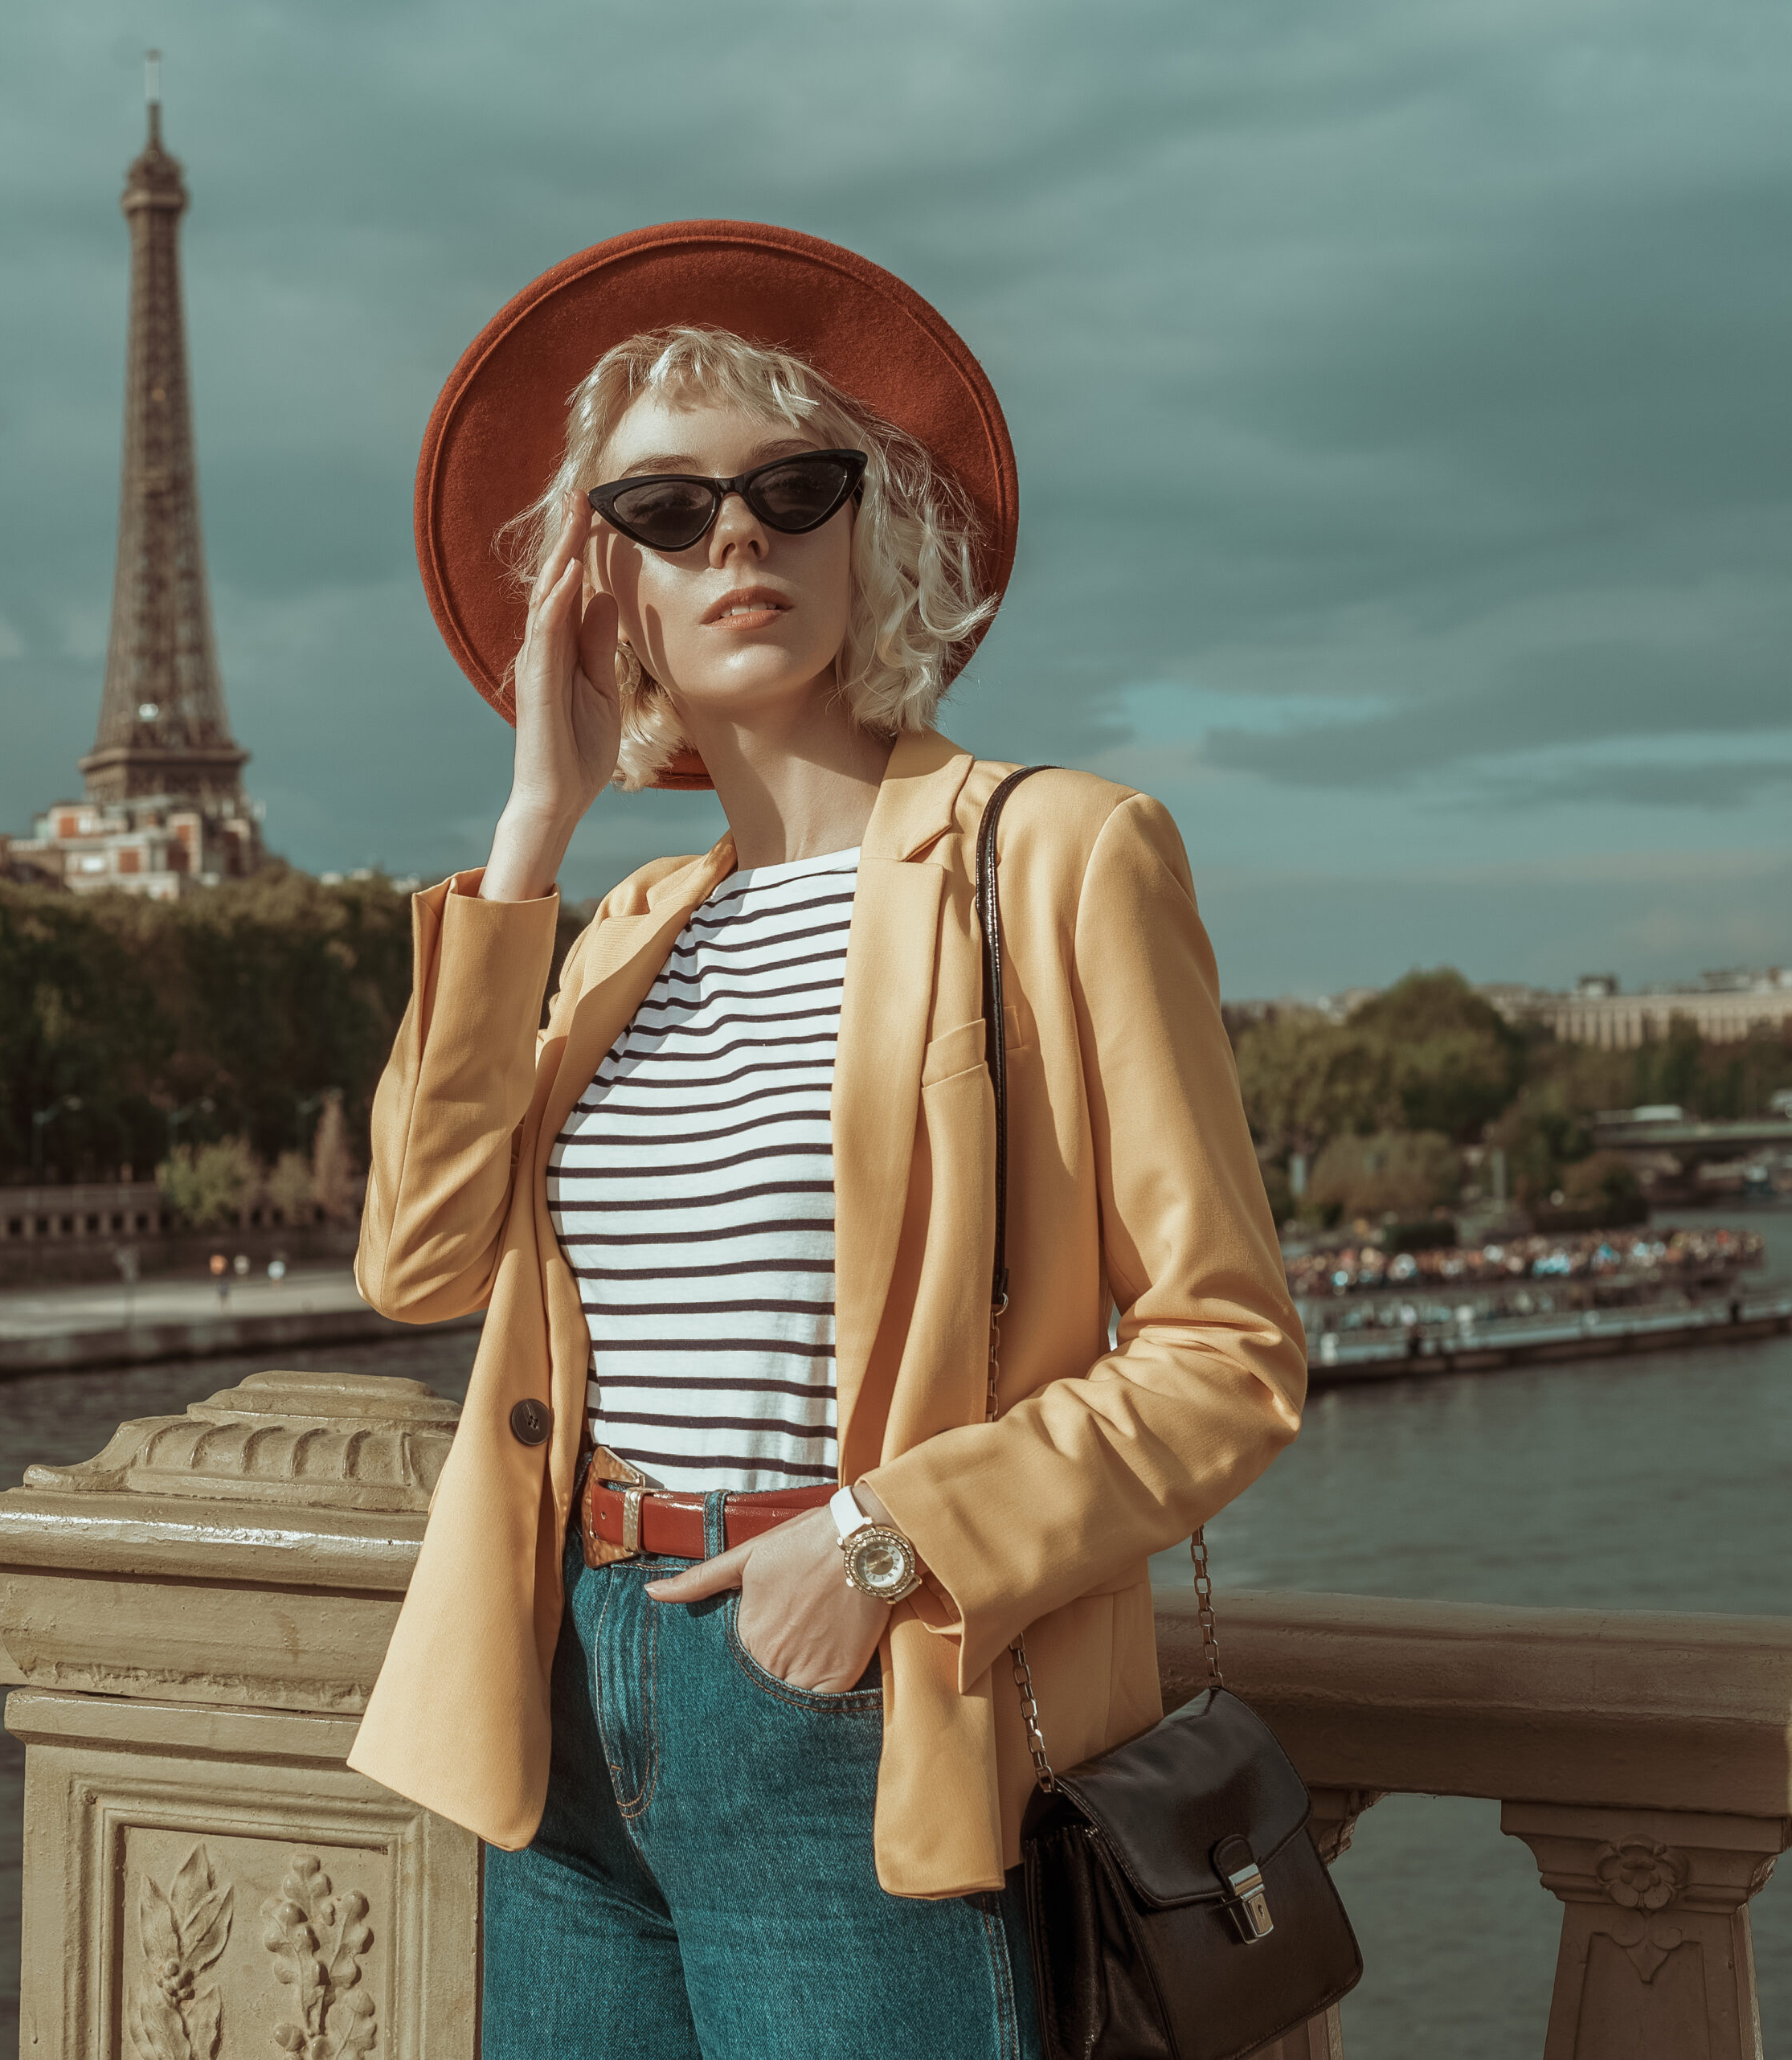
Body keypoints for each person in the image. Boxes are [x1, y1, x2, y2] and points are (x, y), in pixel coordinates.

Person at [348, 222, 1304, 2058]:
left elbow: (1228, 1353)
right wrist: (531, 834)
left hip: (858, 1692)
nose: (739, 542)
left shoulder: (1055, 854)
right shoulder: (621, 934)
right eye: (665, 511)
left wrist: (876, 1551)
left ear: (875, 533)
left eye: (795, 488)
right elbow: (417, 1261)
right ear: (597, 591)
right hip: (555, 1705)